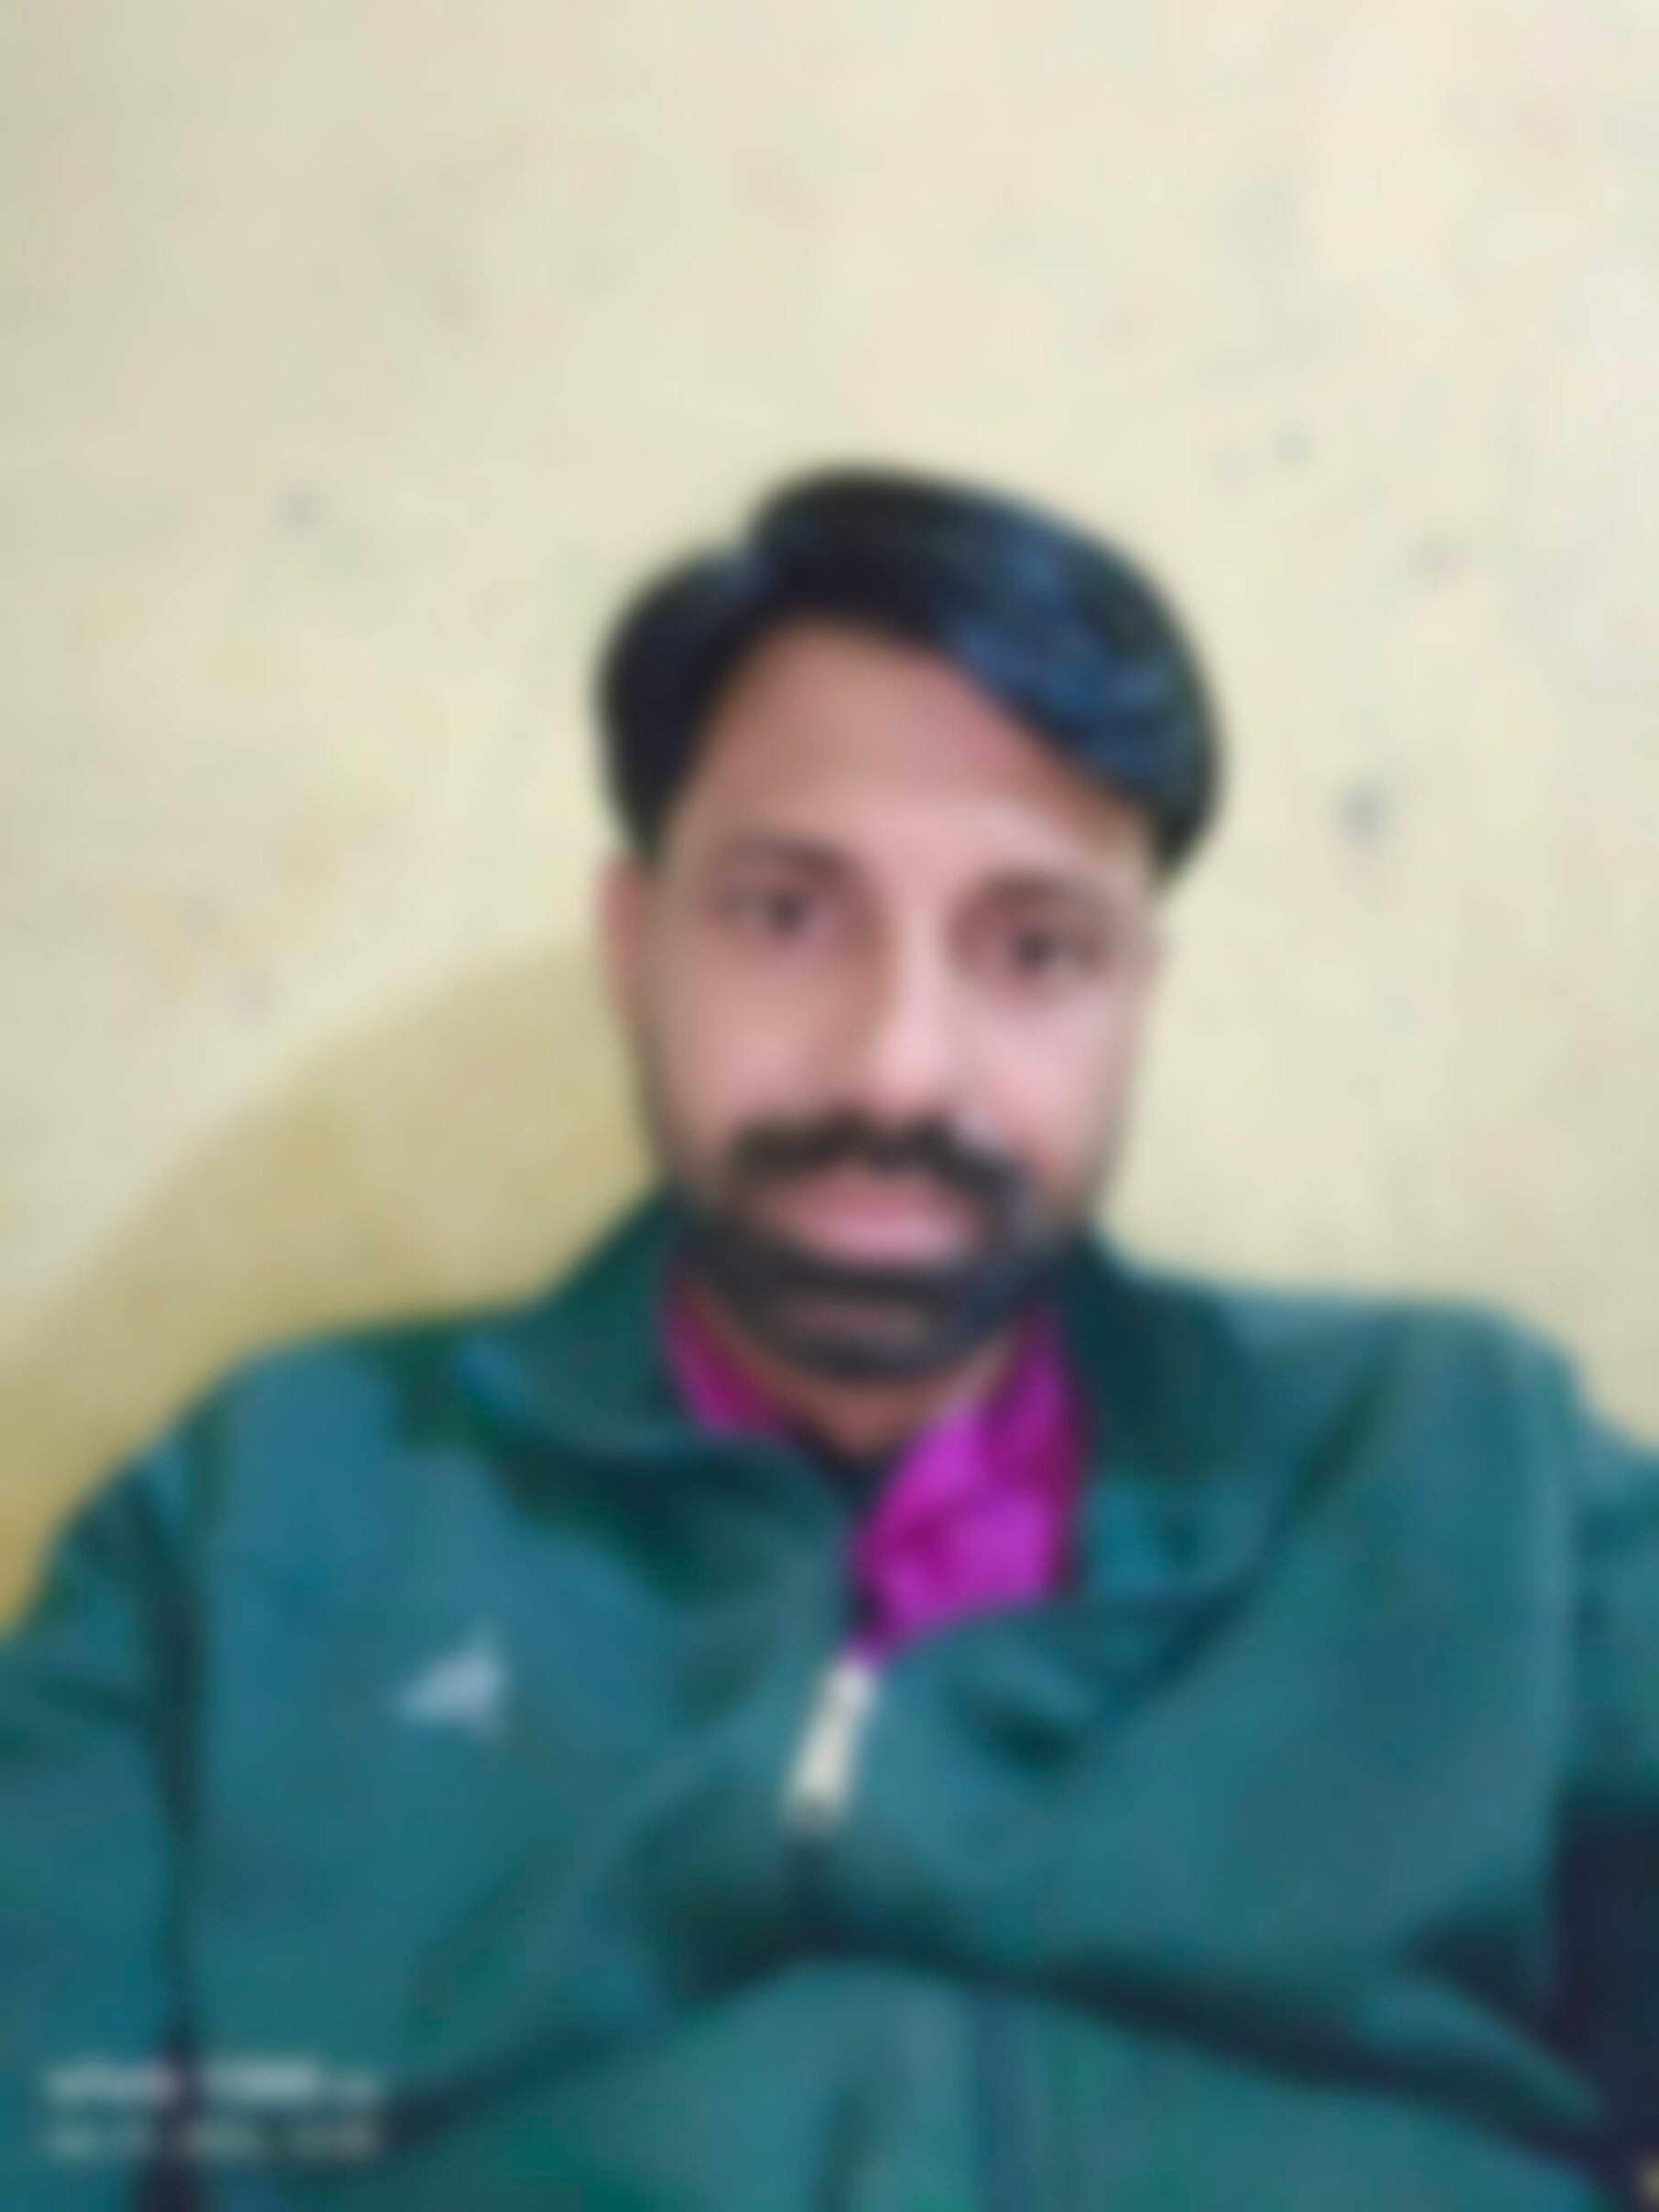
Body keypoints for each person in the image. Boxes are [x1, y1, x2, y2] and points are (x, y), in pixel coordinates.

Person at [2, 467, 1656, 2211]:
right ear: (635, 943)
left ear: (1133, 999)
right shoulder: (255, 1526)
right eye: (786, 915)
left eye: (1036, 949)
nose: (898, 1068)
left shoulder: (1484, 1486)